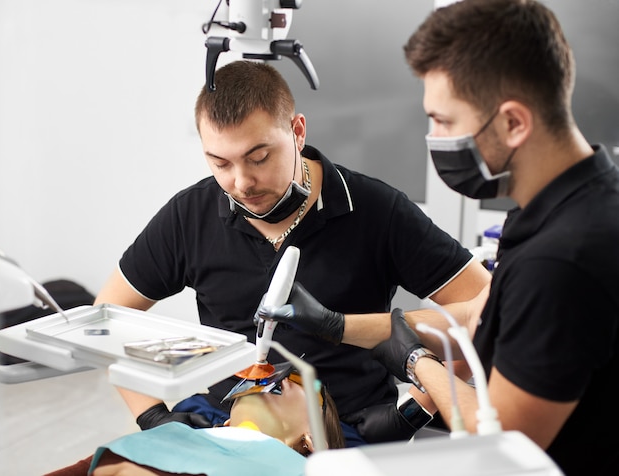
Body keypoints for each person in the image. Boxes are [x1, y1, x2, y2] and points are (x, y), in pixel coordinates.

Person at [262, 0, 619, 473]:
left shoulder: (560, 260)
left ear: (514, 122)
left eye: (444, 122)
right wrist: (338, 325)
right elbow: (479, 320)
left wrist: (416, 365)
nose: (432, 137)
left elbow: (505, 450)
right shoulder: (570, 204)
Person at [94, 59, 491, 446]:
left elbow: (488, 313)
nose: (242, 182)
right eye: (220, 163)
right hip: (224, 418)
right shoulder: (189, 215)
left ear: (297, 131)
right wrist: (155, 418)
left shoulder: (376, 211)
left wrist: (415, 409)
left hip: (346, 427)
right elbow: (104, 319)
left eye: (259, 157)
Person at [46, 363, 345, 476]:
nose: (277, 376)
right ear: (226, 422)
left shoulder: (303, 470)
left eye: (296, 380)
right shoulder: (167, 438)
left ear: (311, 441)